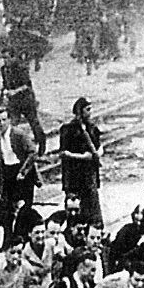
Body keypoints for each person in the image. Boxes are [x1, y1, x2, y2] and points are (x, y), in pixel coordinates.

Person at [59, 96, 104, 226]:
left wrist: (98, 154)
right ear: (80, 111)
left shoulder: (92, 128)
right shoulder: (68, 129)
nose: (90, 113)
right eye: (87, 110)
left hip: (89, 175)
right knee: (75, 209)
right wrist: (82, 157)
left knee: (93, 207)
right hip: (74, 175)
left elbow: (99, 146)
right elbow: (63, 153)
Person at [0, 104, 41, 217]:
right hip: (8, 172)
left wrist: (23, 172)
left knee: (24, 208)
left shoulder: (18, 134)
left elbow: (33, 152)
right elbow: (1, 161)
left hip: (22, 172)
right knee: (9, 209)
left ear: (9, 120)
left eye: (4, 120)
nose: (1, 123)